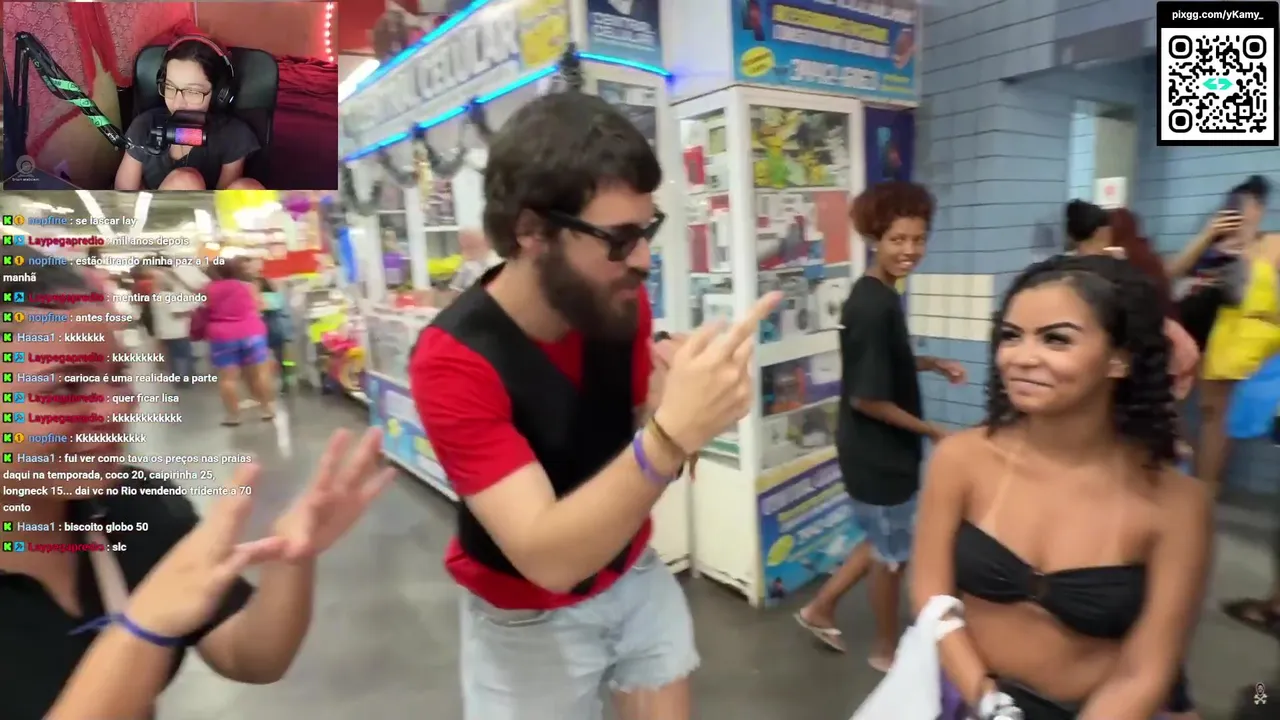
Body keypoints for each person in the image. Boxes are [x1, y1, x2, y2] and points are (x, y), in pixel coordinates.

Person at [409, 91, 780, 720]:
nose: (642, 259)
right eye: (619, 238)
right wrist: (670, 436)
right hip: (525, 619)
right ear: (532, 231)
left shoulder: (618, 304)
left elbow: (632, 449)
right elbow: (547, 558)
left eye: (647, 231)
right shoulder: (454, 360)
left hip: (632, 571)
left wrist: (675, 410)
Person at [0, 246, 394, 719]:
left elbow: (248, 656)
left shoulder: (132, 508)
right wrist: (144, 626)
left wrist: (292, 558)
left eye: (118, 375)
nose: (117, 407)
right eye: (64, 387)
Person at [912, 254, 1210, 720]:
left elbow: (1146, 670)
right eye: (1011, 336)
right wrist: (986, 700)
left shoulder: (1177, 505)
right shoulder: (961, 459)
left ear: (1120, 358)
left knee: (1256, 697)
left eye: (1056, 339)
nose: (1021, 357)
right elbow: (931, 590)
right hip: (968, 699)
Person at [795, 181, 966, 669]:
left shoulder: (884, 294)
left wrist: (932, 363)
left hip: (882, 448)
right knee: (892, 558)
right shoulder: (871, 306)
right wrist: (933, 431)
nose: (910, 250)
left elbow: (884, 364)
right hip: (877, 452)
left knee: (883, 540)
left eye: (918, 238)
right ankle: (886, 650)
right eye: (898, 240)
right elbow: (867, 398)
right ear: (875, 239)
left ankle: (819, 608)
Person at [1194, 177, 1280, 493]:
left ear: (1261, 208)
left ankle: (1206, 489)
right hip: (1223, 337)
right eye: (1238, 205)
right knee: (1214, 420)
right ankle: (1205, 490)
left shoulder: (1274, 243)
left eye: (1252, 205)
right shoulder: (1221, 248)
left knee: (1223, 419)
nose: (1245, 211)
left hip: (1261, 342)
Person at [114, 35, 263, 191]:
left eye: (192, 92)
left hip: (208, 207)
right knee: (185, 181)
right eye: (170, 87)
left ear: (220, 94)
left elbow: (222, 200)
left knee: (248, 189)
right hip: (152, 207)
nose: (177, 103)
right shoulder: (144, 126)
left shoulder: (233, 135)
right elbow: (122, 198)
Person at [196, 258, 277, 424]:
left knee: (228, 379)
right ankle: (266, 409)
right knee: (259, 374)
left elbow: (204, 310)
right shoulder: (248, 286)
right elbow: (261, 306)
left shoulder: (207, 289)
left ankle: (233, 416)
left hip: (223, 335)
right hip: (252, 332)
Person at [151, 269, 199, 383]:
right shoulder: (170, 296)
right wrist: (191, 311)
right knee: (182, 356)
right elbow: (176, 313)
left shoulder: (156, 296)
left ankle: (176, 378)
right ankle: (184, 379)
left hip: (164, 332)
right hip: (178, 332)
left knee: (172, 357)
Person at [446, 228, 502, 299]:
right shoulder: (467, 265)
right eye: (463, 247)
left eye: (471, 247)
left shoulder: (498, 263)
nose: (465, 252)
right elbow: (455, 291)